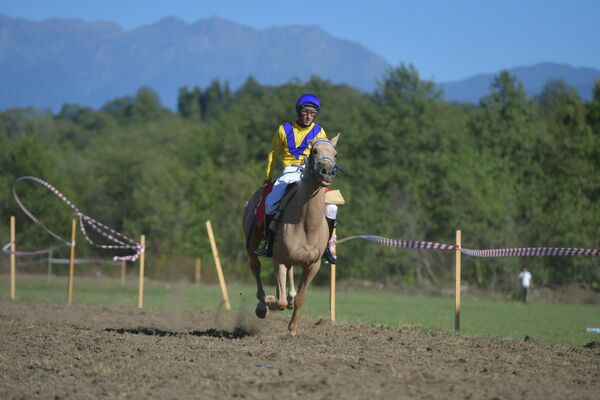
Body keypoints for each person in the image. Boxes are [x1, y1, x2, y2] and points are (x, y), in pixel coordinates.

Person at [254, 93, 338, 263]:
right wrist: (267, 177)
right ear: (299, 111)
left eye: (313, 113)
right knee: (271, 203)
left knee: (332, 208)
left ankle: (327, 248)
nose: (309, 116)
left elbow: (325, 154)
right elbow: (273, 153)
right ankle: (269, 243)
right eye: (306, 112)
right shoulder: (283, 129)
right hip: (289, 171)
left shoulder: (319, 131)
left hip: (311, 174)